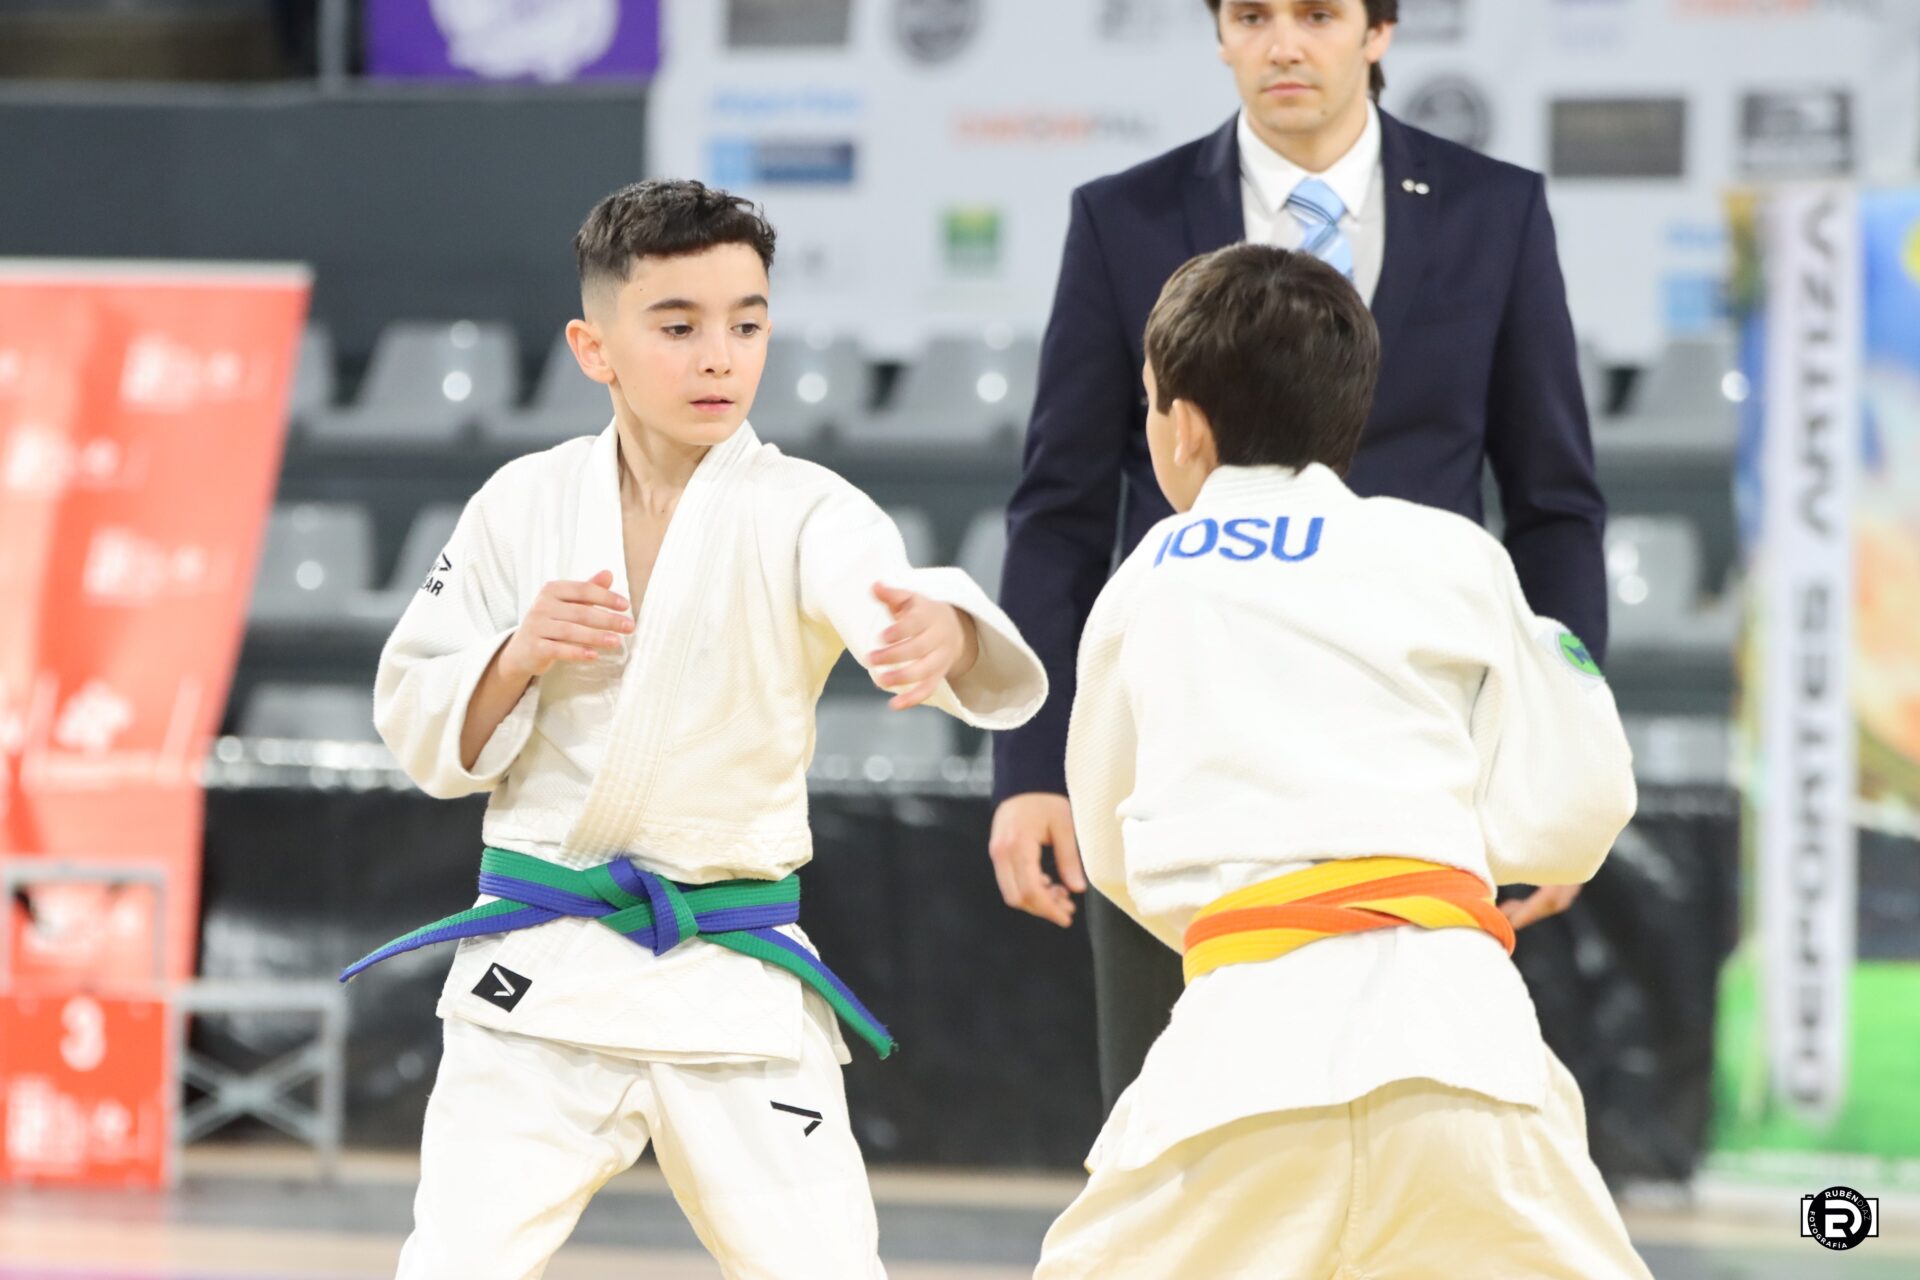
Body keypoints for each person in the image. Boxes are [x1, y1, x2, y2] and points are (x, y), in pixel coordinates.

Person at [342, 179, 1047, 1279]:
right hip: (543, 969)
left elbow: (881, 590)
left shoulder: (809, 508)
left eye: (746, 325)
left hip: (730, 981)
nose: (720, 358)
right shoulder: (520, 503)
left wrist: (941, 633)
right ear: (595, 347)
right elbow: (420, 719)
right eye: (678, 327)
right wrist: (517, 653)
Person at [989, 0, 1609, 1107]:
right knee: (1178, 1133)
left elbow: (1553, 505)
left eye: (1319, 13)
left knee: (1427, 1125)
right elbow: (1060, 510)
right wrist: (1034, 765)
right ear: (1218, 33)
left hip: (1417, 749)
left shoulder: (1494, 210)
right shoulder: (1123, 218)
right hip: (1192, 746)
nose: (1284, 44)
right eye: (1252, 15)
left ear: (1379, 32)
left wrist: (1552, 766)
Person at [1032, 242, 1649, 1278]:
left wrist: (1248, 893)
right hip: (1466, 1049)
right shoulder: (1453, 552)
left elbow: (1114, 848)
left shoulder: (1147, 578)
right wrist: (1441, 859)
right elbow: (1582, 801)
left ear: (1184, 427)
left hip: (1240, 1063)